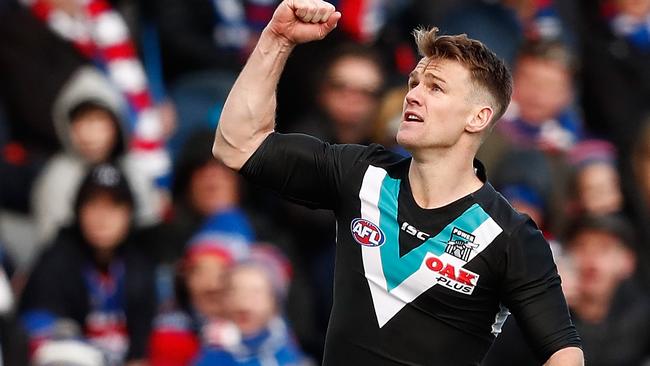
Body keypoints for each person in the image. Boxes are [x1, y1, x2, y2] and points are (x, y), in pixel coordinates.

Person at [212, 1, 583, 365]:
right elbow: (237, 145)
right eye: (414, 82)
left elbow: (564, 353)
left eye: (435, 88)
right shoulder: (360, 173)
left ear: (478, 117)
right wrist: (276, 39)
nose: (413, 95)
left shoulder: (511, 236)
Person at [21, 164, 156, 366]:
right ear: (78, 211)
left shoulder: (140, 262)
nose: (102, 217)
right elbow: (37, 325)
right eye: (92, 205)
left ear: (129, 214)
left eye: (113, 206)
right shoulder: (55, 259)